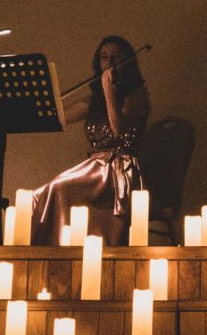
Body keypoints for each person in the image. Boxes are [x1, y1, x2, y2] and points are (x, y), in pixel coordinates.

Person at [31, 35, 149, 245]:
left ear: (128, 61)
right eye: (104, 57)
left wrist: (108, 91)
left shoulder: (137, 94)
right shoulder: (92, 103)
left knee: (57, 189)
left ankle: (62, 251)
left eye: (117, 57)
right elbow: (55, 118)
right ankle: (52, 251)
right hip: (95, 168)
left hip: (118, 170)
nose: (110, 63)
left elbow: (119, 128)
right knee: (37, 196)